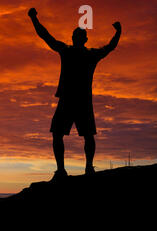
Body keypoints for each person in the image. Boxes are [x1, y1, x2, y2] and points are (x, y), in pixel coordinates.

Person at [28, 8, 121, 180]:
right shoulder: (75, 52)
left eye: (79, 37)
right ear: (78, 39)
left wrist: (118, 33)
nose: (77, 39)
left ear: (83, 39)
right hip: (73, 100)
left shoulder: (81, 53)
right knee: (65, 134)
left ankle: (82, 169)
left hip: (76, 101)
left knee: (83, 135)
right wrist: (34, 19)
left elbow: (110, 47)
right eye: (76, 37)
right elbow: (45, 35)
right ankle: (67, 170)